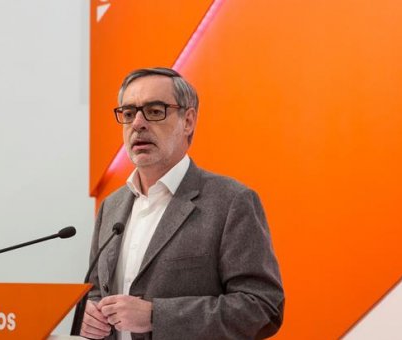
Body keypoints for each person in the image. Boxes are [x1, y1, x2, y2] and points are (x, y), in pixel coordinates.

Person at [81, 67, 284, 340]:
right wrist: (85, 315)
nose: (138, 123)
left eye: (154, 111)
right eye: (128, 113)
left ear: (188, 121)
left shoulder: (231, 201)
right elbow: (96, 292)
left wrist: (156, 316)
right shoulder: (112, 206)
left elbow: (263, 307)